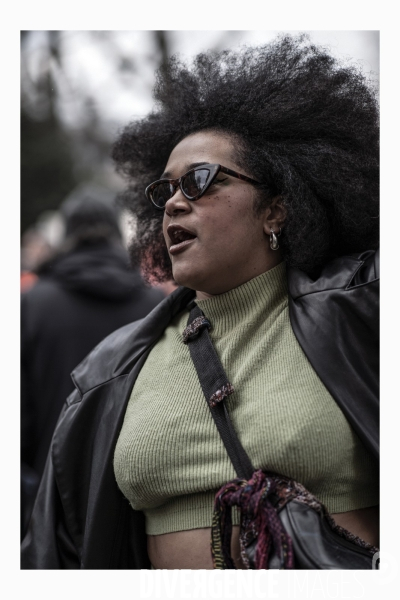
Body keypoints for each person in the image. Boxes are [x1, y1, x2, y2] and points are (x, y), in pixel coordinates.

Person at [21, 35, 379, 569]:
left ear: (277, 209)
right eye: (165, 191)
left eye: (200, 181)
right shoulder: (109, 372)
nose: (174, 205)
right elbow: (56, 550)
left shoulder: (363, 311)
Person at [20, 192, 164, 538]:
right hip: (137, 506)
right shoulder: (156, 306)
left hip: (49, 500)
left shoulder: (32, 304)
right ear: (117, 236)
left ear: (64, 238)